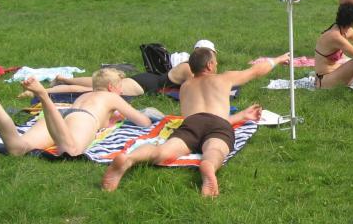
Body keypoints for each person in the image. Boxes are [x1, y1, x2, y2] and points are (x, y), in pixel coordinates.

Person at [101, 47, 290, 196]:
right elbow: (256, 70)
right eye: (215, 62)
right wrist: (277, 59)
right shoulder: (223, 79)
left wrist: (241, 116)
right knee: (215, 150)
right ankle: (208, 165)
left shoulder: (186, 86)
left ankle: (130, 159)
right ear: (209, 65)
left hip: (192, 124)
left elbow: (196, 116)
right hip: (218, 124)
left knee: (163, 151)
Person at [0, 69, 153, 157]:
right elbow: (143, 122)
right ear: (111, 87)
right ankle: (43, 96)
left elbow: (71, 88)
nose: (122, 92)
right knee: (71, 151)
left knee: (17, 148)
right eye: (120, 88)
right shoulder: (112, 97)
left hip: (61, 114)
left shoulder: (86, 94)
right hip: (83, 118)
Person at [17, 40, 217, 99]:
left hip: (146, 80)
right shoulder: (187, 68)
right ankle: (42, 91)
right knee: (92, 91)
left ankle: (63, 79)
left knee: (97, 86)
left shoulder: (187, 65)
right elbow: (200, 86)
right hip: (142, 85)